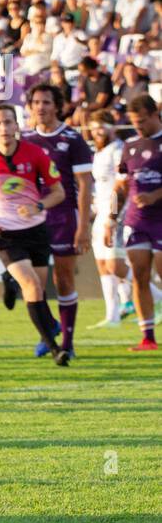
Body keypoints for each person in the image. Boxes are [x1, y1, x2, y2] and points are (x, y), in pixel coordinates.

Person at [0, 105, 71, 365]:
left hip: (36, 230)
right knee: (33, 286)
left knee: (38, 292)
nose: (4, 128)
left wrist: (38, 206)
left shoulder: (36, 155)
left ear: (17, 125)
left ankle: (10, 282)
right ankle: (55, 348)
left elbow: (59, 192)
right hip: (6, 232)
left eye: (8, 122)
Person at [22, 84, 94, 356]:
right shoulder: (26, 140)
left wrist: (84, 227)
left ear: (57, 106)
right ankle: (50, 327)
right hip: (32, 220)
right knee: (32, 282)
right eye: (36, 102)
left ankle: (68, 343)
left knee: (64, 279)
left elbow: (85, 185)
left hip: (64, 217)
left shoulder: (72, 140)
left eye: (46, 102)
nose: (40, 107)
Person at [109, 95, 162, 351]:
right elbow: (120, 186)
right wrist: (111, 217)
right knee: (139, 275)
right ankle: (148, 337)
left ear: (155, 114)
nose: (138, 126)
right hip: (137, 221)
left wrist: (155, 195)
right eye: (134, 122)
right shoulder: (129, 146)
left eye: (142, 121)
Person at [87, 110, 135, 328]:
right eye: (94, 126)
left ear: (113, 127)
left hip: (116, 210)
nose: (98, 131)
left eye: (102, 126)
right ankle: (112, 315)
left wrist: (113, 216)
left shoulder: (118, 150)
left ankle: (156, 297)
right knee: (102, 263)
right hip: (101, 210)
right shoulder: (99, 152)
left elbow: (121, 184)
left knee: (115, 264)